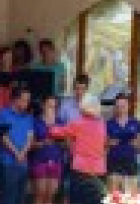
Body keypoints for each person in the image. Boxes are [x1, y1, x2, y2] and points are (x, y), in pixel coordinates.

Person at [49, 94, 107, 204]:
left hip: (81, 170)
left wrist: (51, 123)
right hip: (98, 170)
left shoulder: (79, 123)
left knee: (78, 200)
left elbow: (56, 132)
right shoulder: (101, 124)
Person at [0, 87, 34, 204]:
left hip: (23, 162)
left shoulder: (28, 117)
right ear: (16, 99)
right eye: (24, 100)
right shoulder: (2, 114)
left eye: (28, 100)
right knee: (8, 198)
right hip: (7, 161)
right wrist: (17, 153)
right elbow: (2, 137)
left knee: (20, 198)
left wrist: (23, 153)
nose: (27, 103)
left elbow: (30, 137)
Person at [56, 74, 91, 204]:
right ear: (73, 88)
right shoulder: (65, 105)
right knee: (66, 184)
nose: (79, 92)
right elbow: (59, 126)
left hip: (85, 154)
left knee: (83, 186)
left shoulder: (92, 106)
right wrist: (66, 139)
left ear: (87, 89)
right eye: (77, 88)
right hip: (68, 151)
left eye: (82, 89)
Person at [31, 96, 65, 204]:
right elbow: (30, 144)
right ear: (43, 106)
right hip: (40, 160)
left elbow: (66, 144)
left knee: (50, 195)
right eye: (49, 105)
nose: (51, 108)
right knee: (40, 194)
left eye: (54, 106)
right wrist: (42, 143)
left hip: (56, 160)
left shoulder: (60, 122)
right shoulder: (36, 121)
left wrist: (61, 141)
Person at [106, 93, 140, 195]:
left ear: (128, 106)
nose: (120, 109)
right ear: (115, 107)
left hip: (130, 162)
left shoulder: (135, 123)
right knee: (113, 196)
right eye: (118, 106)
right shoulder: (109, 123)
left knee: (130, 196)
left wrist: (136, 143)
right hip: (114, 162)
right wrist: (109, 142)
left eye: (123, 106)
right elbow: (104, 144)